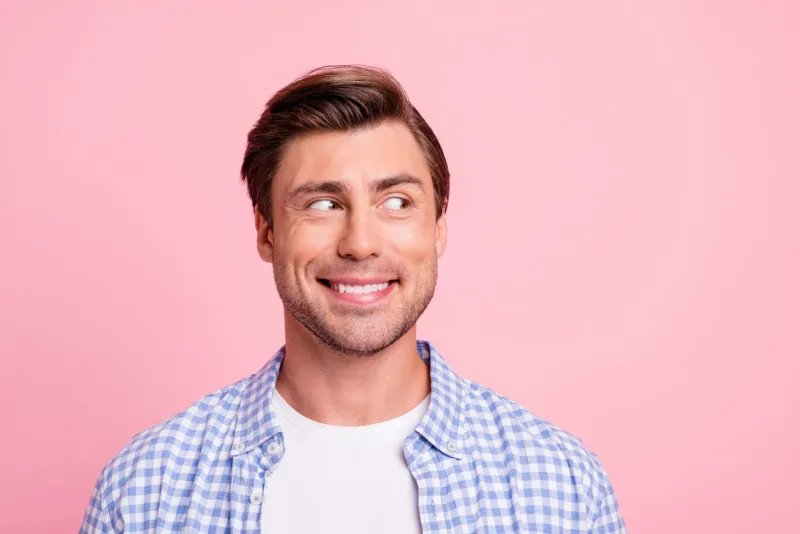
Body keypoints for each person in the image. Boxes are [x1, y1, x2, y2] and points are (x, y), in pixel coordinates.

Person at [80, 64, 627, 533]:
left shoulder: (562, 486)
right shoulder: (145, 491)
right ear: (267, 232)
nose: (361, 243)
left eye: (396, 201)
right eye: (322, 204)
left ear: (437, 229)